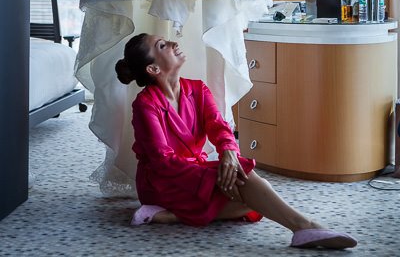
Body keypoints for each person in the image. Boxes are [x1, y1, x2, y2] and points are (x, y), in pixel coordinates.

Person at [115, 33, 357, 250]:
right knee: (249, 185)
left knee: (256, 199)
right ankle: (304, 227)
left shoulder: (198, 89)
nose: (174, 43)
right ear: (153, 69)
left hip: (192, 172)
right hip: (163, 182)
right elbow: (162, 162)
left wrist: (229, 153)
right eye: (163, 45)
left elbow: (218, 127)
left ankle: (171, 216)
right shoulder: (145, 105)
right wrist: (215, 179)